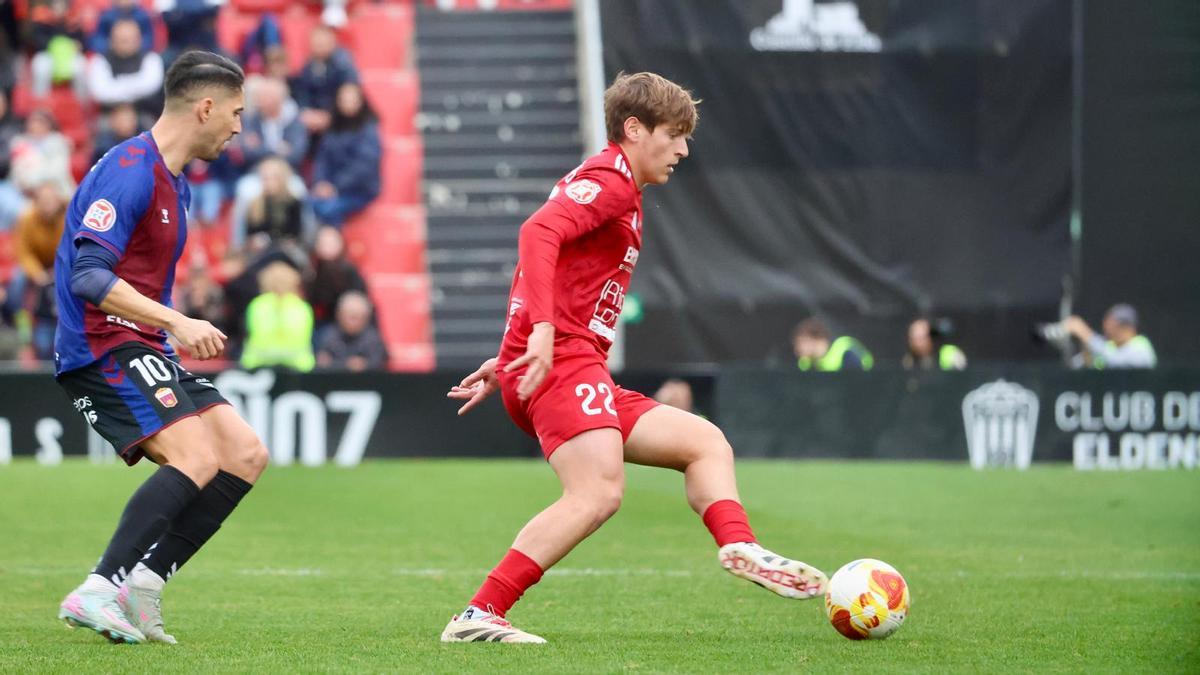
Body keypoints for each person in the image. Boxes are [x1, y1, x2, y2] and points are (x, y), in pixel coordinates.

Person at [441, 72, 828, 645]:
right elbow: (536, 234)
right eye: (674, 134)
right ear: (634, 129)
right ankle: (479, 614)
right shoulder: (612, 180)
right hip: (565, 360)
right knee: (598, 492)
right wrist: (540, 334)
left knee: (705, 443)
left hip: (563, 361)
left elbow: (549, 266)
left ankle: (739, 546)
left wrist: (509, 356)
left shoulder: (615, 186)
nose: (683, 149)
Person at [53, 50, 268, 645]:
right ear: (206, 107)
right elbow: (88, 278)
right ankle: (99, 588)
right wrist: (176, 321)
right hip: (101, 344)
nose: (239, 127)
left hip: (140, 342)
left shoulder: (173, 180)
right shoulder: (129, 170)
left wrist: (164, 328)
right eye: (236, 112)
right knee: (196, 457)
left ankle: (142, 586)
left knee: (244, 454)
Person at [309, 81, 380, 227]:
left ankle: (333, 246)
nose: (348, 104)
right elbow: (322, 158)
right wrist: (320, 182)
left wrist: (336, 186)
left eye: (352, 100)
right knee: (307, 205)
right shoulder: (333, 128)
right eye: (344, 100)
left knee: (328, 210)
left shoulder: (368, 130)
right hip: (330, 188)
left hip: (358, 190)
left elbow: (363, 167)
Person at [12, 180, 68, 358]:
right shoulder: (27, 219)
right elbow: (24, 252)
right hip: (38, 269)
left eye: (51, 200)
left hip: (63, 266)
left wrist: (58, 270)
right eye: (43, 201)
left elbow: (72, 247)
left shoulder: (68, 216)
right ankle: (24, 334)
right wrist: (38, 274)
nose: (48, 206)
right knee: (16, 286)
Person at [240, 260, 314, 372]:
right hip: (298, 368)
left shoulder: (257, 305)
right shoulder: (302, 307)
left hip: (258, 366)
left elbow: (252, 333)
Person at [86, 17, 164, 122]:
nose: (126, 44)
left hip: (145, 114)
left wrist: (116, 86)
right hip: (109, 117)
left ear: (139, 39)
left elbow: (150, 87)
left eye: (130, 39)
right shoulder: (100, 60)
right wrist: (135, 86)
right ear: (111, 40)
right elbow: (100, 93)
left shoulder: (151, 58)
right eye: (122, 40)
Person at [1064, 303, 1156, 369]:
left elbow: (1116, 362)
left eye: (1113, 326)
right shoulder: (1110, 346)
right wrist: (1086, 353)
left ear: (1128, 327)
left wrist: (1085, 334)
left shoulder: (1141, 345)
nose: (1108, 330)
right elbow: (1076, 366)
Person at [315, 289, 387, 372]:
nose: (354, 322)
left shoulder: (373, 339)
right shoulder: (327, 335)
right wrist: (348, 365)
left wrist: (364, 365)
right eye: (351, 317)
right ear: (339, 315)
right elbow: (322, 363)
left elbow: (379, 364)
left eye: (358, 317)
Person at [792, 318, 873, 371]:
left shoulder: (846, 352)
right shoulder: (805, 363)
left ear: (818, 339)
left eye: (803, 342)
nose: (798, 348)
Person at [901, 316, 965, 371]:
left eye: (921, 338)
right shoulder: (909, 360)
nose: (916, 342)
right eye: (913, 338)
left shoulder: (950, 353)